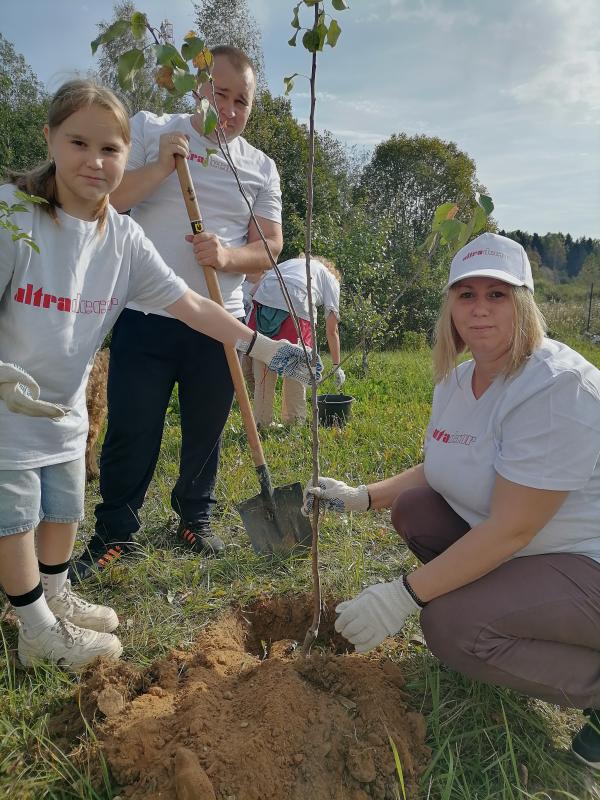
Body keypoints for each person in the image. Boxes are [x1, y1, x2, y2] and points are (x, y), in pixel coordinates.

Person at [0, 79, 318, 670]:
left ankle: (58, 595)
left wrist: (263, 346)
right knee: (16, 514)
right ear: (49, 139)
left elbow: (192, 304)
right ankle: (34, 626)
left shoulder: (122, 238)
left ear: (127, 154)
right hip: (9, 403)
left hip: (64, 406)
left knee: (64, 506)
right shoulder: (14, 216)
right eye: (78, 143)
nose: (94, 162)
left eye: (109, 149)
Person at [304, 232, 600, 769]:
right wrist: (361, 497)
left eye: (497, 294)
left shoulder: (557, 388)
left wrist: (403, 596)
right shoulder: (460, 380)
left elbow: (512, 528)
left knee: (450, 625)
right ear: (451, 307)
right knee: (414, 509)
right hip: (530, 548)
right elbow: (442, 466)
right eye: (467, 294)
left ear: (524, 303)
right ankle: (502, 614)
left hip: (585, 561)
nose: (480, 308)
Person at [71, 46, 284, 581]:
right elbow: (112, 200)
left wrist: (227, 257)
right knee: (132, 426)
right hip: (146, 312)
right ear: (200, 88)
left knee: (206, 430)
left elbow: (271, 247)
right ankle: (115, 531)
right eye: (220, 94)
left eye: (241, 101)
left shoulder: (260, 167)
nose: (229, 110)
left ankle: (194, 518)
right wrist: (162, 166)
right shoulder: (153, 128)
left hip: (219, 320)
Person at [248, 255, 345, 427]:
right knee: (298, 365)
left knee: (264, 361)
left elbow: (253, 291)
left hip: (262, 306)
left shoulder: (289, 263)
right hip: (296, 307)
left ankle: (261, 423)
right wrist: (337, 365)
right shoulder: (330, 278)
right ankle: (293, 422)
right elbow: (332, 329)